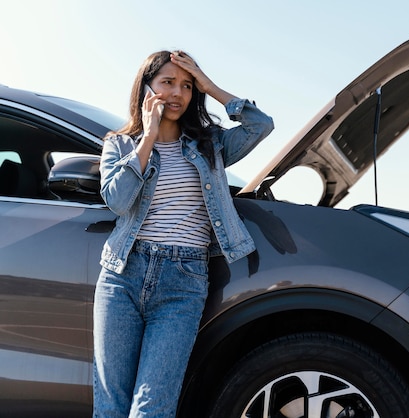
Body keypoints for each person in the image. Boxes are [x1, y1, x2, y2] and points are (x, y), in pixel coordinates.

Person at [93, 50, 274, 417]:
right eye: (167, 82)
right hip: (122, 276)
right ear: (146, 88)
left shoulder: (210, 145)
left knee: (153, 407)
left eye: (187, 86)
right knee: (111, 405)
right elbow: (117, 201)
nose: (177, 93)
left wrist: (211, 86)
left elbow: (261, 125)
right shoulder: (120, 144)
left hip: (183, 282)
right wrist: (148, 138)